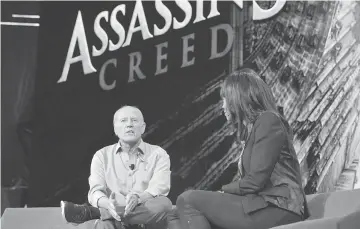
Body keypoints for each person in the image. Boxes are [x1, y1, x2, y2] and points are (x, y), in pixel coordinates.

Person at [167, 69, 309, 229]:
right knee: (173, 214)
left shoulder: (268, 121)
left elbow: (255, 181)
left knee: (187, 199)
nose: (222, 107)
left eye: (224, 100)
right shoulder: (254, 130)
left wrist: (224, 191)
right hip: (261, 203)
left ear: (238, 99)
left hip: (279, 207)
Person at [61, 105, 173, 229]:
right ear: (115, 129)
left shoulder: (158, 154)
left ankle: (96, 213)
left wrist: (138, 198)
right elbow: (95, 192)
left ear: (143, 128)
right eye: (123, 121)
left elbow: (160, 187)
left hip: (147, 218)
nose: (129, 125)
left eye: (134, 120)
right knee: (103, 226)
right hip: (114, 218)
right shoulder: (101, 155)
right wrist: (108, 205)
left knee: (164, 204)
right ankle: (110, 215)